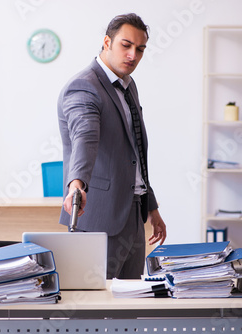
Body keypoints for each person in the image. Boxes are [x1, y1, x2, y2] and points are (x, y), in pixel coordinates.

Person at [57, 13, 167, 279]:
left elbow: (135, 152)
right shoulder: (84, 86)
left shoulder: (128, 86)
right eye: (125, 45)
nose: (133, 55)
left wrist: (152, 208)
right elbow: (85, 138)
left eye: (140, 49)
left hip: (133, 213)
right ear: (107, 42)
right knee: (93, 309)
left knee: (129, 306)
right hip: (99, 215)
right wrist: (77, 183)